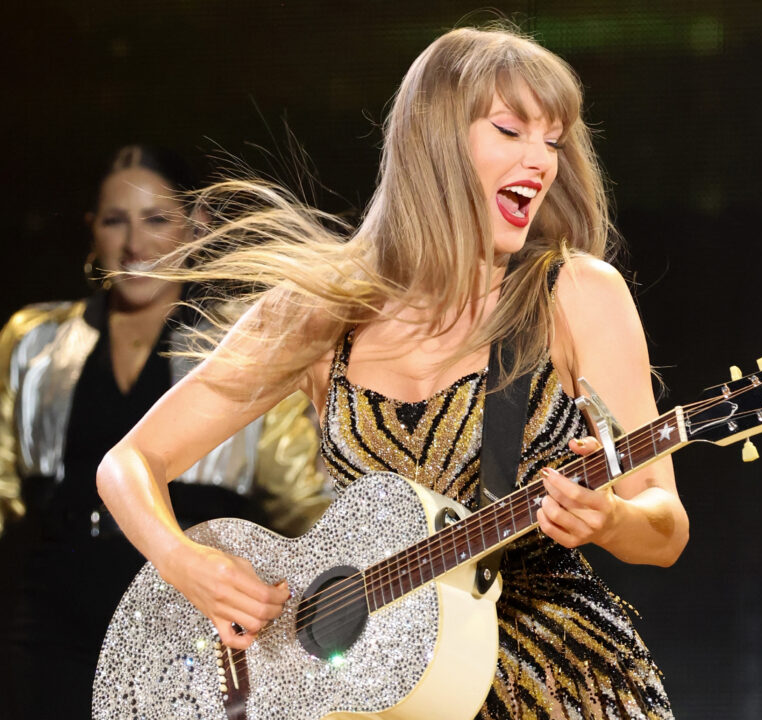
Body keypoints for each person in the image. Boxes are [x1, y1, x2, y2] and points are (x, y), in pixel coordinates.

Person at [96, 26, 689, 720]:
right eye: (511, 130)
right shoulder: (324, 314)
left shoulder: (576, 293)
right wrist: (188, 565)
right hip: (378, 699)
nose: (541, 161)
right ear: (435, 141)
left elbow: (665, 523)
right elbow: (129, 462)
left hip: (552, 687)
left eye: (553, 141)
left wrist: (611, 518)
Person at [0, 145, 329, 719]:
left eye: (156, 219)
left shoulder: (241, 349)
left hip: (190, 612)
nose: (134, 243)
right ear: (93, 231)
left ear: (198, 224)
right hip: (52, 606)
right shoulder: (34, 343)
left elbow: (304, 502)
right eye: (116, 221)